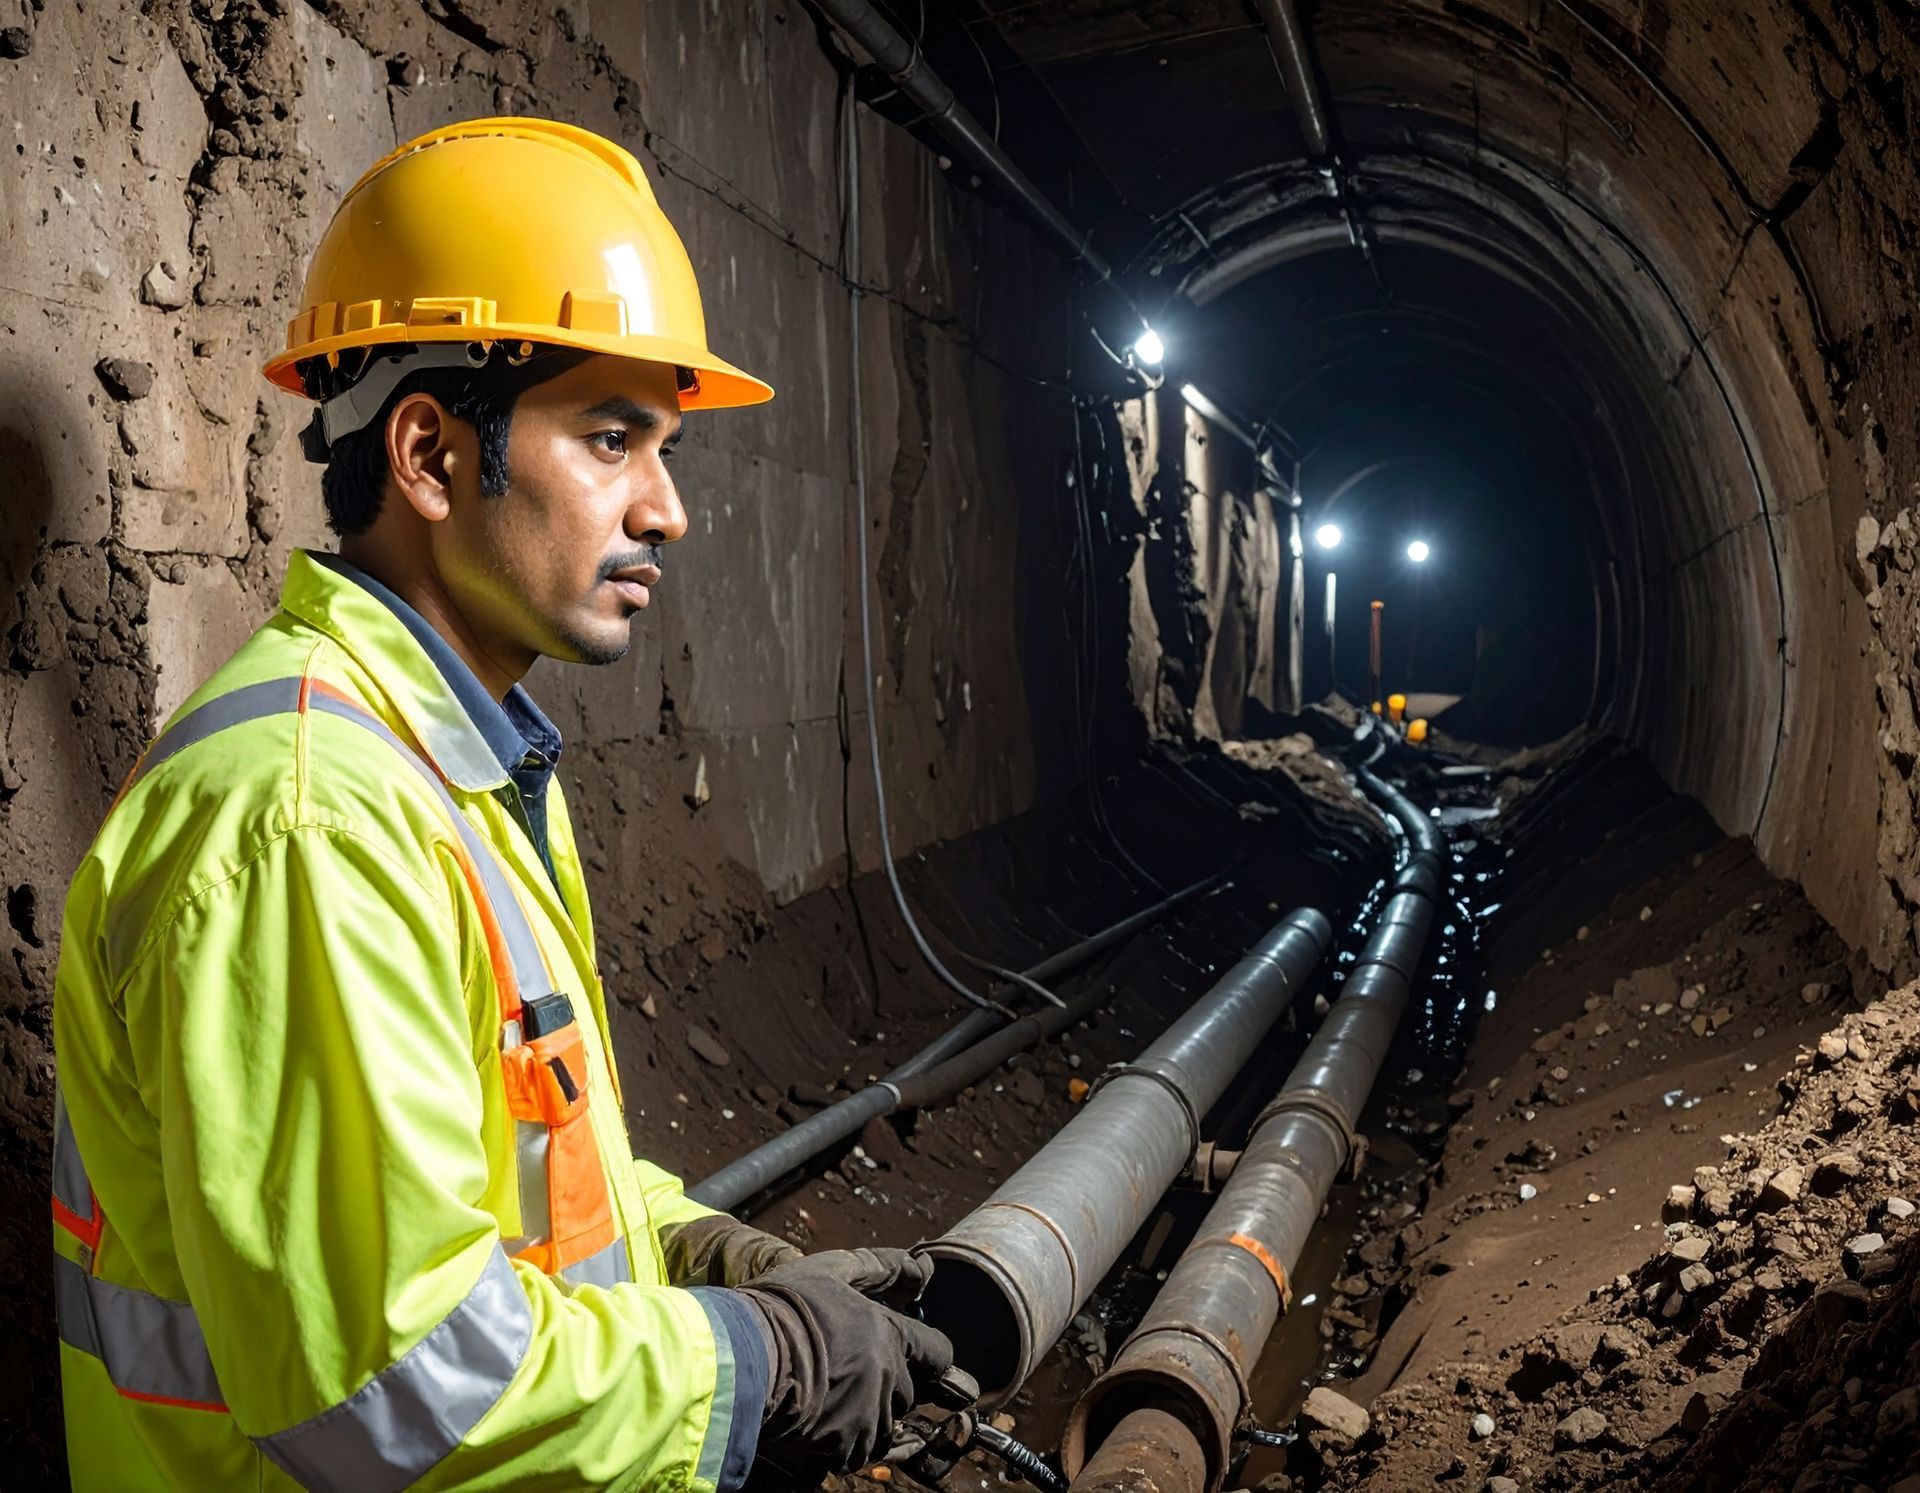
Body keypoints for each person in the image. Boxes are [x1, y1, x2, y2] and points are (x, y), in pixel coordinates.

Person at [51, 116, 952, 1491]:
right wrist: (765, 1358)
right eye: (611, 438)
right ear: (428, 454)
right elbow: (396, 1387)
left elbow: (515, 1193)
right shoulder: (312, 822)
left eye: (665, 450)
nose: (669, 509)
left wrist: (703, 1251)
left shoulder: (441, 767)